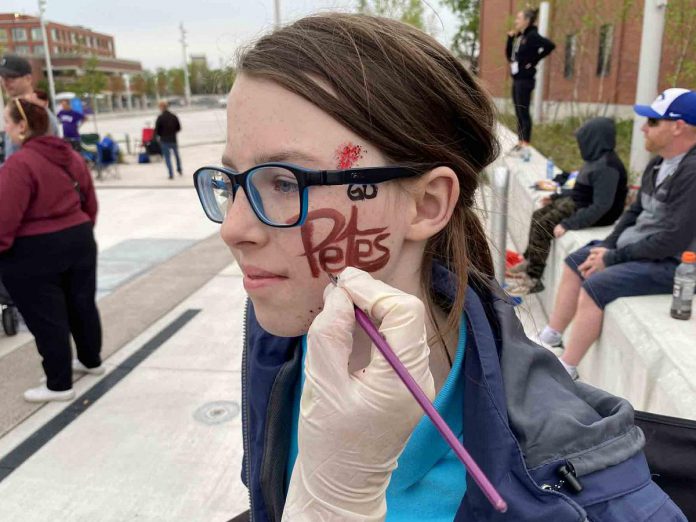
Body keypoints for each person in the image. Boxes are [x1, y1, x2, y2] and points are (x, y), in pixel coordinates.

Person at [193, 14, 686, 521]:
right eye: (232, 181)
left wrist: (333, 506)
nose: (233, 228)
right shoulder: (286, 326)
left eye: (284, 182)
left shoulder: (593, 498)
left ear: (427, 204)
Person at [539, 88, 696, 380]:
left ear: (678, 127)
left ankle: (566, 368)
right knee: (577, 261)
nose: (644, 128)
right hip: (640, 248)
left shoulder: (692, 171)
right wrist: (608, 246)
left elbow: (673, 238)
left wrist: (611, 258)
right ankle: (551, 336)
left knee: (596, 286)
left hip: (674, 263)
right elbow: (634, 213)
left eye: (653, 122)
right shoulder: (660, 161)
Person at [0, 98, 103, 403]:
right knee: (82, 304)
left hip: (36, 249)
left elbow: (5, 216)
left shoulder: (19, 164)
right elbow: (90, 201)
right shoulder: (70, 156)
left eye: (7, 122)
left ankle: (59, 384)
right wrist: (80, 229)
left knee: (47, 317)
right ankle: (90, 360)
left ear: (22, 127)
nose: (5, 129)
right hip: (79, 238)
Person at [507, 117, 628, 295]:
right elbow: (581, 190)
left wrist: (568, 224)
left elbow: (601, 206)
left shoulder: (608, 167)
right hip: (579, 202)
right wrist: (557, 197)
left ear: (594, 139)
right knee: (538, 216)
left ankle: (534, 278)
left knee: (544, 225)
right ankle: (530, 259)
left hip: (591, 212)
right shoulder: (596, 159)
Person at [505, 7, 555, 154]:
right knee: (518, 111)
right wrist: (510, 39)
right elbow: (510, 57)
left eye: (518, 18)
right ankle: (520, 141)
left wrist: (534, 61)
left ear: (527, 20)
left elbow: (550, 45)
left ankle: (526, 142)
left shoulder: (532, 35)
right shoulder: (520, 36)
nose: (516, 21)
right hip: (517, 78)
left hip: (525, 80)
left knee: (523, 111)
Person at [0, 54, 60, 160]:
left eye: (11, 78)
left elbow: (43, 164)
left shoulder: (39, 116)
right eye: (3, 78)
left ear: (28, 79)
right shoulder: (16, 111)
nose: (5, 83)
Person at [154, 101, 182, 179]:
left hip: (164, 140)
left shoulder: (160, 118)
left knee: (167, 158)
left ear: (161, 107)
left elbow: (157, 130)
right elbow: (179, 128)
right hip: (173, 139)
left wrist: (160, 135)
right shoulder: (173, 116)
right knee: (176, 156)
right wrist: (173, 132)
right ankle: (179, 169)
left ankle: (171, 174)